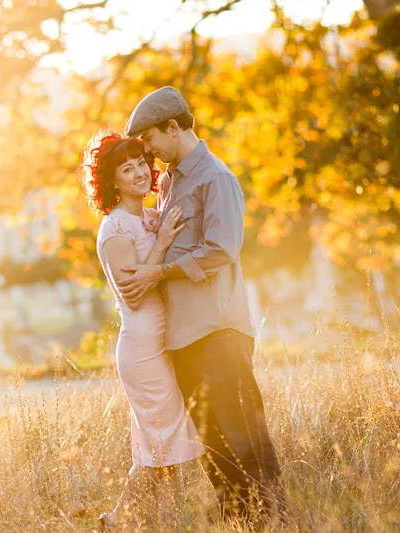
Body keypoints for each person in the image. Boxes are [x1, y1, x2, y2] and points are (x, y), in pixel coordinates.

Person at [118, 86, 286, 523]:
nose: (148, 150)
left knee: (245, 435)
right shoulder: (171, 182)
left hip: (218, 329)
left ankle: (274, 521)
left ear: (173, 127)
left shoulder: (216, 178)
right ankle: (240, 521)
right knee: (213, 442)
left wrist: (160, 272)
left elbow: (222, 248)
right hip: (184, 334)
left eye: (150, 139)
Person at [81, 130, 205, 528]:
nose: (138, 173)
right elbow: (133, 294)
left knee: (162, 444)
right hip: (142, 347)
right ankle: (117, 520)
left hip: (166, 340)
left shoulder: (151, 216)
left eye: (140, 164)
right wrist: (163, 241)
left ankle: (154, 520)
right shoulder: (115, 229)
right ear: (112, 181)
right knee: (159, 443)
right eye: (126, 168)